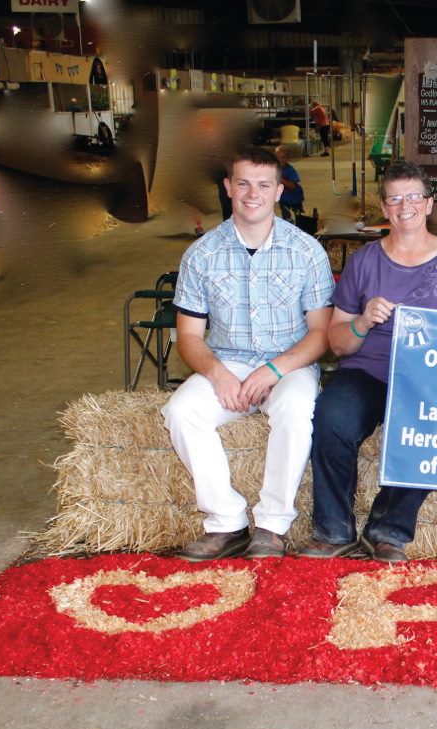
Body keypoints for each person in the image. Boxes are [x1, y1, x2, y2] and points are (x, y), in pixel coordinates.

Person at [161, 146, 335, 561]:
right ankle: (227, 521)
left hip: (289, 359)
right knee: (181, 411)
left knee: (296, 409)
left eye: (263, 185)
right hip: (227, 358)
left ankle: (273, 526)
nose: (252, 194)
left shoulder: (307, 251)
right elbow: (188, 335)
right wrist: (217, 373)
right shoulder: (201, 254)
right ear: (228, 188)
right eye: (242, 184)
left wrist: (276, 368)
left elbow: (320, 334)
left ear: (278, 190)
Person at [300, 162, 437, 563]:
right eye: (395, 198)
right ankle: (333, 529)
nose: (404, 205)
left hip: (428, 377)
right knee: (331, 415)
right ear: (384, 208)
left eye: (413, 197)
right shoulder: (364, 262)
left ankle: (388, 529)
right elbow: (337, 343)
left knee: (436, 424)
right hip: (368, 370)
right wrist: (361, 322)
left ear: (429, 204)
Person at [274, 144, 305, 221]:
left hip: (294, 197)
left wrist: (281, 180)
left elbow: (292, 186)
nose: (281, 160)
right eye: (278, 158)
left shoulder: (290, 170)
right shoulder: (275, 169)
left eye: (283, 157)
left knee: (299, 217)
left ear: (288, 158)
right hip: (283, 198)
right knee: (286, 218)